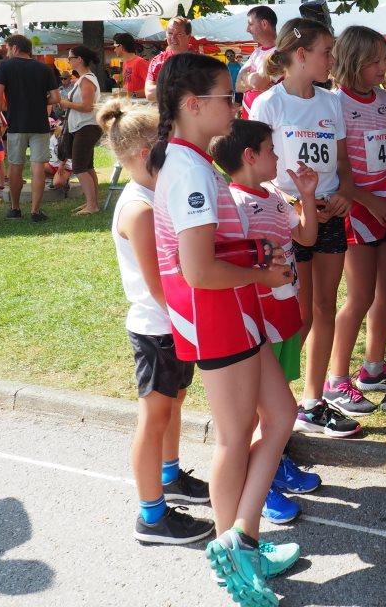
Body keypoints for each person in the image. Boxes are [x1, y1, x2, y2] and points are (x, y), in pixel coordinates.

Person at [149, 52, 298, 604]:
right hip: (216, 317)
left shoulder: (192, 161)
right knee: (236, 438)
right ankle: (232, 549)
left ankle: (242, 539)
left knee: (280, 415)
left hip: (235, 311)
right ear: (193, 105)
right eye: (226, 97)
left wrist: (255, 253)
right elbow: (197, 270)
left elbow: (210, 250)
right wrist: (261, 271)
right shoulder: (188, 169)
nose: (235, 106)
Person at [99, 97, 214, 545]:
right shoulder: (140, 209)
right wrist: (194, 322)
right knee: (154, 416)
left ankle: (170, 477)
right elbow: (159, 286)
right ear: (149, 152)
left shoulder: (152, 195)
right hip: (158, 328)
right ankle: (151, 516)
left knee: (174, 404)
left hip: (172, 325)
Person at [248, 18, 361, 436]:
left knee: (325, 306)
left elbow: (343, 164)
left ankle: (313, 402)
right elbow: (255, 172)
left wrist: (343, 194)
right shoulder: (269, 104)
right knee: (299, 314)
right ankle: (278, 404)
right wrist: (300, 204)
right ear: (300, 55)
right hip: (289, 219)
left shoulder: (331, 102)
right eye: (326, 52)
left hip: (329, 214)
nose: (332, 59)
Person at [212, 119, 327, 526]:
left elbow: (307, 238)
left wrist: (307, 197)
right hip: (258, 321)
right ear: (250, 156)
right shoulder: (234, 205)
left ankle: (274, 463)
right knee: (258, 408)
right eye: (271, 149)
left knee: (279, 398)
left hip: (285, 312)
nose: (277, 156)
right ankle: (258, 486)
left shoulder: (276, 195)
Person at [326, 26, 386, 417]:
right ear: (354, 62)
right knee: (360, 296)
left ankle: (373, 366)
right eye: (375, 61)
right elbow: (337, 169)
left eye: (384, 59)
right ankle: (335, 379)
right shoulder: (335, 104)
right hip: (358, 211)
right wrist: (367, 200)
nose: (383, 67)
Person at [0, 34, 61, 222]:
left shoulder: (4, 66)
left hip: (16, 124)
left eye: (7, 48)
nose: (6, 52)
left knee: (15, 166)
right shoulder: (44, 68)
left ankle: (15, 208)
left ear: (14, 48)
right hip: (40, 124)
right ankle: (36, 211)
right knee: (38, 167)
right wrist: (40, 101)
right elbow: (56, 97)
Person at [57, 46, 102, 215]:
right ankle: (92, 202)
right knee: (87, 166)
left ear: (79, 59)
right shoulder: (84, 79)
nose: (69, 61)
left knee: (79, 167)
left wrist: (66, 103)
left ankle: (92, 205)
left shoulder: (86, 80)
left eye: (70, 58)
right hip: (83, 127)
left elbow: (87, 106)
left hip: (86, 126)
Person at [237, 6, 279, 118]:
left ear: (264, 24)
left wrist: (247, 78)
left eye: (250, 24)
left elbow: (258, 82)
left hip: (267, 119)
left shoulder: (281, 52)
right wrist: (252, 80)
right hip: (251, 118)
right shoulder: (257, 52)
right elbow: (238, 85)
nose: (247, 29)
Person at [145, 18, 193, 103]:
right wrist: (180, 88)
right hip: (166, 111)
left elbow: (204, 90)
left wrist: (163, 88)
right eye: (170, 33)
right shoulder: (158, 61)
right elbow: (149, 94)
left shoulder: (200, 61)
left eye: (179, 34)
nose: (173, 38)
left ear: (188, 37)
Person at [114, 33, 149, 98]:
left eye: (115, 47)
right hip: (128, 103)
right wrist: (119, 80)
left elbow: (153, 88)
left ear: (121, 47)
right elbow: (128, 85)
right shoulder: (125, 62)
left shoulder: (140, 62)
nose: (114, 50)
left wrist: (133, 94)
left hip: (139, 104)